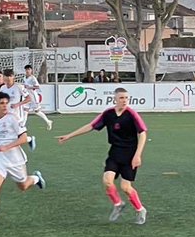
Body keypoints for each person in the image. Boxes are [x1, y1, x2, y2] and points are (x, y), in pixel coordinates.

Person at [57, 87, 149, 224]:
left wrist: (138, 155)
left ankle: (140, 209)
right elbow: (91, 126)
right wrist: (69, 136)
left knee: (125, 187)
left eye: (126, 98)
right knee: (107, 180)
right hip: (115, 152)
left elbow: (142, 133)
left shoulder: (132, 114)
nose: (124, 101)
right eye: (121, 98)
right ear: (115, 99)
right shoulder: (108, 114)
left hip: (130, 155)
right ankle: (118, 204)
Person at [0, 91, 45, 228]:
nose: (4, 106)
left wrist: (8, 146)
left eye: (6, 103)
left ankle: (36, 179)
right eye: (1, 103)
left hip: (15, 160)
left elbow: (24, 138)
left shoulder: (13, 118)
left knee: (23, 186)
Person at [0, 69, 35, 151]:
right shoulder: (2, 88)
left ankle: (21, 145)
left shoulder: (19, 87)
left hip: (17, 116)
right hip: (6, 115)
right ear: (3, 77)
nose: (8, 78)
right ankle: (28, 140)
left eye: (10, 76)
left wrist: (18, 104)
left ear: (13, 77)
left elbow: (29, 98)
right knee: (11, 134)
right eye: (6, 76)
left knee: (20, 136)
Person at [20, 64, 54, 130]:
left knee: (37, 111)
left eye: (29, 69)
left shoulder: (33, 78)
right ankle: (22, 126)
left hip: (33, 97)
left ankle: (48, 121)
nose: (27, 71)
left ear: (31, 70)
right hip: (27, 96)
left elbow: (37, 86)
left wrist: (29, 87)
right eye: (26, 69)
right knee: (25, 111)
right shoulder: (24, 78)